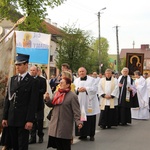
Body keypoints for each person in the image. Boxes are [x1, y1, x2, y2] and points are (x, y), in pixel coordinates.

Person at [2, 53, 38, 150]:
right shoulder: (12, 79)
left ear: (26, 65)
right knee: (13, 145)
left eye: (20, 64)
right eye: (16, 65)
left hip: (23, 118)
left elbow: (32, 102)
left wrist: (30, 120)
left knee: (22, 145)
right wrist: (5, 117)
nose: (17, 67)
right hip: (12, 117)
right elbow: (8, 100)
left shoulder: (32, 81)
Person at [44, 77, 83, 150]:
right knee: (57, 145)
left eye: (62, 83)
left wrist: (79, 122)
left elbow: (76, 110)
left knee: (65, 146)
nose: (60, 84)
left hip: (65, 125)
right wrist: (47, 99)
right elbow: (51, 104)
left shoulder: (72, 96)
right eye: (60, 82)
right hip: (55, 124)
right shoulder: (56, 93)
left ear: (68, 85)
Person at [73, 67, 100, 141]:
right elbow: (74, 89)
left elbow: (95, 89)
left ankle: (91, 134)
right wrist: (78, 90)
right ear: (78, 73)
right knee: (81, 117)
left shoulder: (92, 80)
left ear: (86, 72)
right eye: (80, 71)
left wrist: (86, 89)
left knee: (90, 118)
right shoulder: (76, 80)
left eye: (83, 71)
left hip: (89, 102)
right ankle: (82, 134)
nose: (81, 73)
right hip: (80, 101)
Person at [29, 66, 46, 144]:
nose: (32, 71)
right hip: (31, 104)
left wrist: (35, 92)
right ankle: (32, 137)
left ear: (37, 71)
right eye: (31, 70)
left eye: (34, 70)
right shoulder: (28, 80)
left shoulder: (42, 80)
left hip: (39, 103)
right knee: (32, 120)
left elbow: (43, 90)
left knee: (39, 120)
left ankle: (40, 136)